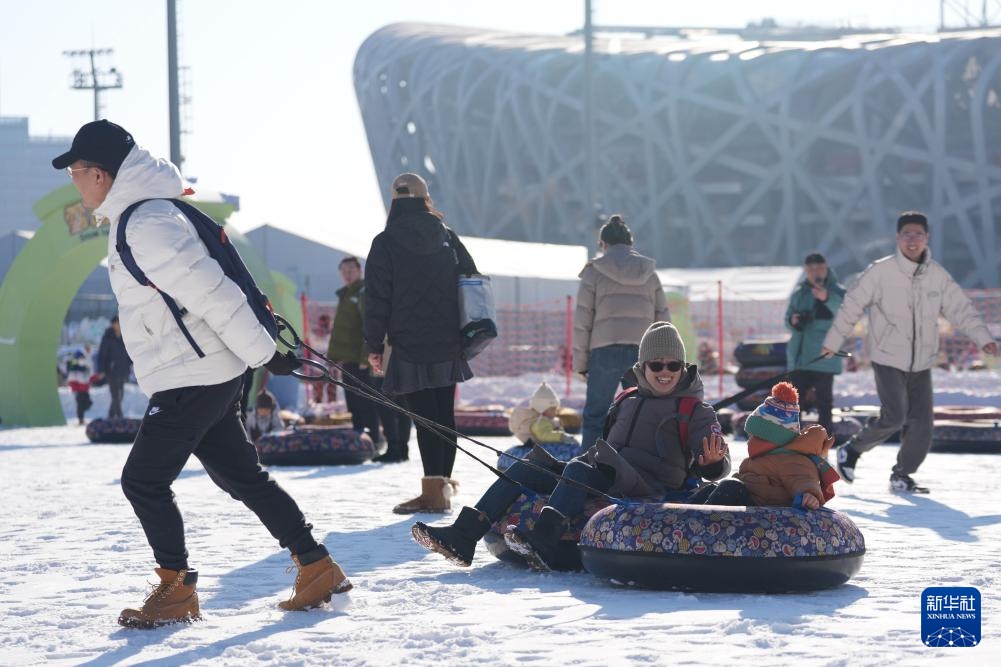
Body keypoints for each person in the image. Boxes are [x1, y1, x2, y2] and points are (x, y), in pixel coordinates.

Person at [54, 119, 352, 628]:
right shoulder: (144, 216)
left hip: (191, 375)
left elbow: (212, 293)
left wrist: (264, 352)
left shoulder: (145, 224)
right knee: (242, 477)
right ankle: (316, 563)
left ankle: (176, 588)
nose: (74, 181)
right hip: (200, 369)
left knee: (142, 481)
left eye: (76, 171)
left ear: (101, 174)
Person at [412, 322, 731, 570]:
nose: (665, 373)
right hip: (607, 471)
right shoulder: (627, 399)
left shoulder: (694, 410)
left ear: (683, 368)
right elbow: (606, 444)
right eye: (656, 365)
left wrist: (713, 464)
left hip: (648, 484)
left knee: (579, 467)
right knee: (526, 467)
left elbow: (718, 464)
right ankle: (463, 536)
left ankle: (545, 540)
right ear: (642, 367)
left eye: (673, 366)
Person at [822, 211, 998, 493]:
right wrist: (833, 341)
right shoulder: (881, 271)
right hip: (888, 356)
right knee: (895, 416)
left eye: (918, 234)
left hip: (923, 360)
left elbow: (960, 309)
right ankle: (851, 450)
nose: (912, 240)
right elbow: (853, 304)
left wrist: (983, 338)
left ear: (927, 238)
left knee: (923, 424)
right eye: (907, 234)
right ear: (898, 238)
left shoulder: (937, 276)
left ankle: (902, 475)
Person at [364, 172, 475, 511]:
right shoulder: (447, 237)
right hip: (447, 339)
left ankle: (433, 495)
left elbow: (376, 299)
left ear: (395, 201)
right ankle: (442, 483)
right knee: (444, 414)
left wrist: (372, 345)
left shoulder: (385, 242)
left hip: (408, 343)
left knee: (424, 416)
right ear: (425, 199)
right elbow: (471, 278)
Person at [572, 215, 669, 452]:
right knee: (645, 413)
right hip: (643, 353)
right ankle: (646, 466)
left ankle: (587, 470)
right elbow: (663, 319)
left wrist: (581, 363)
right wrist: (666, 361)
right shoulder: (649, 272)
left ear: (603, 244)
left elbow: (583, 321)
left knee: (596, 415)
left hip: (604, 350)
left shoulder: (594, 272)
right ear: (630, 244)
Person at [735, 382, 840, 509]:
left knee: (730, 488)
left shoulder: (792, 459)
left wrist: (809, 494)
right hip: (749, 503)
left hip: (767, 510)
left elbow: (802, 478)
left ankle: (705, 520)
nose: (750, 440)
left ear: (773, 437)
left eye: (756, 436)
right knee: (716, 488)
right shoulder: (758, 458)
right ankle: (705, 512)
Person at [784, 252, 846, 436]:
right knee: (795, 402)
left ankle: (824, 440)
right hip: (800, 357)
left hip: (824, 355)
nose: (815, 272)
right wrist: (793, 321)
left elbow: (846, 313)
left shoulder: (838, 291)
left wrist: (827, 298)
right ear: (806, 271)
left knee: (824, 402)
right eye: (811, 269)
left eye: (819, 268)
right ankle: (791, 438)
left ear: (826, 268)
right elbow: (787, 320)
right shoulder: (799, 294)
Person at [328, 256, 380, 438]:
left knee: (365, 399)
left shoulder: (362, 293)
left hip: (361, 359)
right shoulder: (346, 294)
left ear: (360, 271)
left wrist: (365, 357)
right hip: (347, 357)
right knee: (352, 399)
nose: (347, 274)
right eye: (344, 271)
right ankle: (359, 433)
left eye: (351, 270)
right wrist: (334, 357)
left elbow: (368, 325)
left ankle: (373, 435)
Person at [508, 381, 575, 445]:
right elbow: (544, 435)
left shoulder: (545, 421)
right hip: (537, 449)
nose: (555, 412)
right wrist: (562, 437)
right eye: (553, 409)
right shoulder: (538, 423)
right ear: (542, 409)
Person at [96, 315, 133, 419]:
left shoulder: (125, 336)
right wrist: (101, 370)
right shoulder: (108, 337)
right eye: (117, 323)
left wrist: (132, 364)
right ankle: (120, 416)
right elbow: (102, 354)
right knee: (115, 395)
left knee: (120, 395)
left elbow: (129, 352)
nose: (119, 325)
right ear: (113, 324)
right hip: (111, 371)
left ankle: (111, 416)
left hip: (123, 369)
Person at [65, 350, 93, 425]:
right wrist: (74, 389)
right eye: (80, 358)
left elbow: (88, 378)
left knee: (88, 403)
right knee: (80, 405)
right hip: (78, 390)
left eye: (82, 358)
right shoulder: (74, 368)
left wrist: (88, 386)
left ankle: (81, 418)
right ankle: (81, 419)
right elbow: (71, 380)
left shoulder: (85, 368)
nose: (82, 359)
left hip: (85, 389)